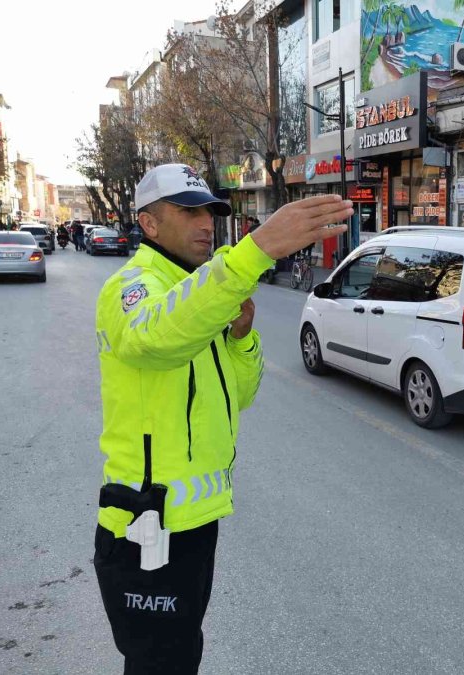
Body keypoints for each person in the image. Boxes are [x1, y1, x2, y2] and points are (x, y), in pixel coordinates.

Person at [92, 163, 351, 673]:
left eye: (210, 211)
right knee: (158, 661)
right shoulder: (134, 286)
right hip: (148, 524)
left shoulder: (203, 295)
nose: (206, 224)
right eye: (188, 212)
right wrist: (254, 253)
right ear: (149, 224)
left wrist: (241, 337)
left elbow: (241, 395)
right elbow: (152, 338)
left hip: (196, 521)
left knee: (182, 651)